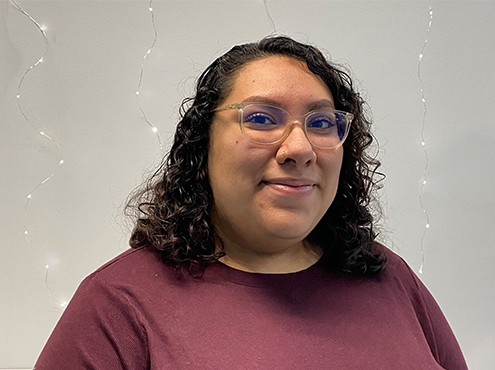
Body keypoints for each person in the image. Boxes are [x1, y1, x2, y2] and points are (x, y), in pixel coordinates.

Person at [34, 36, 467, 369]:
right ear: (203, 144)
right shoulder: (118, 305)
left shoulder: (391, 278)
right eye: (261, 118)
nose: (299, 148)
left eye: (320, 122)